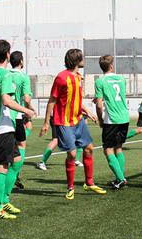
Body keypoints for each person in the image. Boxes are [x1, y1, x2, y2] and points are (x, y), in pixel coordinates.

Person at [41, 48, 106, 200]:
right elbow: (52, 100)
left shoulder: (78, 77)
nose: (84, 60)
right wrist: (45, 122)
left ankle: (89, 183)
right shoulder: (61, 78)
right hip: (64, 122)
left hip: (79, 120)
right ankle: (70, 187)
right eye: (81, 58)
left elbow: (76, 99)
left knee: (89, 148)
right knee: (71, 154)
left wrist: (88, 111)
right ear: (76, 60)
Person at [0, 40, 35, 220]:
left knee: (17, 159)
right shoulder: (4, 74)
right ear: (7, 55)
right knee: (2, 167)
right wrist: (26, 110)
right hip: (1, 126)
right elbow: (6, 100)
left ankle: (4, 200)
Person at [94, 55, 129, 189]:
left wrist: (100, 119)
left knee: (107, 149)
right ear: (112, 66)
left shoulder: (100, 81)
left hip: (112, 119)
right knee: (118, 147)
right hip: (124, 117)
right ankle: (119, 178)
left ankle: (121, 179)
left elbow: (99, 105)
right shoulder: (121, 78)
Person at [9, 51, 35, 191]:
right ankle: (16, 175)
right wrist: (29, 109)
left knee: (6, 147)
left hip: (5, 116)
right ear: (21, 62)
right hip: (17, 115)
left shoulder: (6, 75)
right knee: (21, 145)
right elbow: (26, 99)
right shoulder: (23, 77)